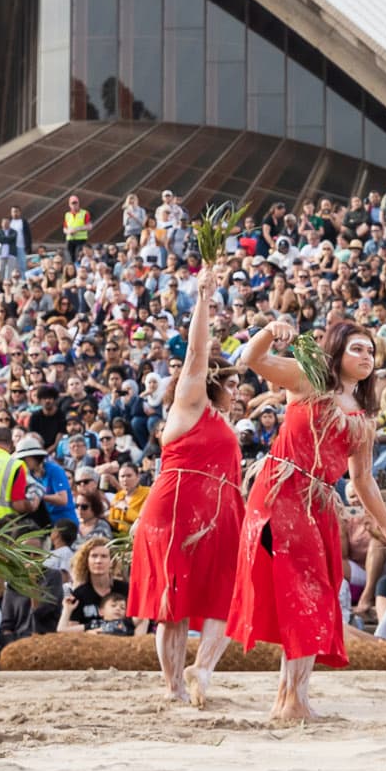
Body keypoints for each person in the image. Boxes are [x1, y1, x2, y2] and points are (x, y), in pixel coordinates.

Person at [228, 314, 386, 723]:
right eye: (357, 349)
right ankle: (291, 700)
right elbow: (252, 360)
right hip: (282, 489)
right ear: (337, 352)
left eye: (370, 351)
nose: (367, 357)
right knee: (303, 593)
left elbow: (363, 480)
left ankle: (291, 698)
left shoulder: (364, 417)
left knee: (317, 595)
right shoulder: (308, 380)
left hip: (318, 502)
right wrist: (269, 331)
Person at [129, 261, 243, 706]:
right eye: (232, 383)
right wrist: (203, 299)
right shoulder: (190, 402)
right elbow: (197, 353)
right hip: (179, 505)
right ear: (215, 382)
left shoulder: (222, 420)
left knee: (227, 595)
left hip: (219, 513)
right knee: (171, 608)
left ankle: (203, 671)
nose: (238, 391)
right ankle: (174, 688)